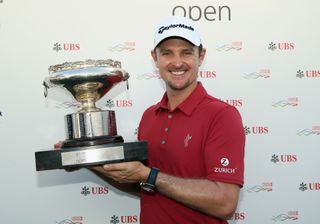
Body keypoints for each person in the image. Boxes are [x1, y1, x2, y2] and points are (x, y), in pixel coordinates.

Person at [92, 15, 245, 224]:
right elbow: (145, 185)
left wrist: (149, 176)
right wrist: (89, 161)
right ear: (155, 58)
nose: (177, 62)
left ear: (201, 56)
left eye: (186, 53)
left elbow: (225, 203)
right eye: (167, 53)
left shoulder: (222, 115)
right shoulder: (149, 116)